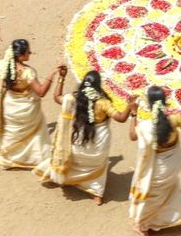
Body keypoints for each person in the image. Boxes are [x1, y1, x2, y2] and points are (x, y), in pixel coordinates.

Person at [34, 70, 133, 204]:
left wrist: (61, 78)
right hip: (97, 146)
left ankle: (65, 178)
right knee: (97, 166)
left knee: (73, 160)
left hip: (77, 143)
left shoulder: (74, 99)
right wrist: (130, 107)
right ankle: (96, 193)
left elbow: (57, 97)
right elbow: (121, 118)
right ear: (98, 86)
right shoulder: (103, 103)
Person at [128, 86, 181, 236]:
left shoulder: (146, 126)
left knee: (152, 197)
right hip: (172, 167)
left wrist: (134, 113)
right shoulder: (175, 119)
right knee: (170, 193)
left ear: (148, 104)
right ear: (165, 102)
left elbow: (132, 136)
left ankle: (143, 225)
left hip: (157, 170)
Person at [0, 39, 66, 169]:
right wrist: (53, 74)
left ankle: (8, 159)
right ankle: (34, 159)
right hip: (27, 110)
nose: (30, 53)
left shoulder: (2, 66)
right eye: (28, 51)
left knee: (12, 134)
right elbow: (40, 92)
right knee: (35, 135)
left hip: (10, 107)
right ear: (20, 55)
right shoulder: (27, 72)